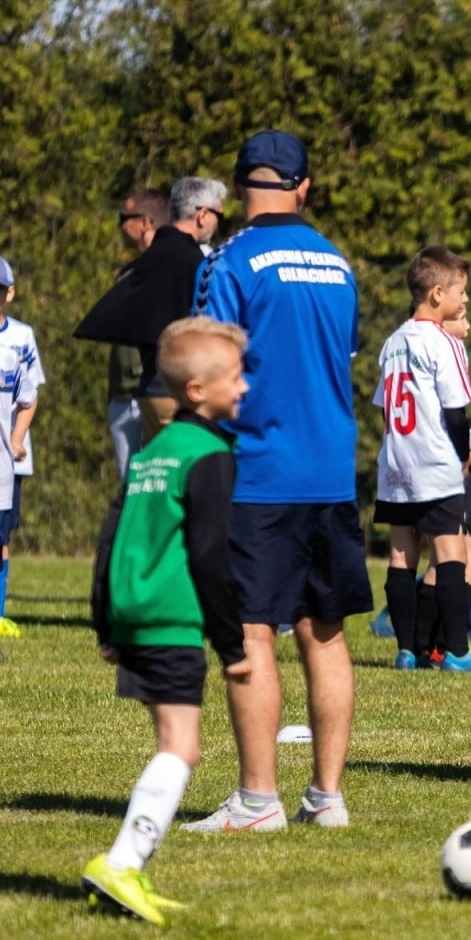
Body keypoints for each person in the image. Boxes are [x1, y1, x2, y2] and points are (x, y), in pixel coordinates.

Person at [186, 129, 368, 832]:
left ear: (237, 188)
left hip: (259, 472)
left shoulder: (231, 261)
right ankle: (327, 797)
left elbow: (212, 365)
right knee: (323, 634)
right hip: (329, 471)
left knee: (251, 633)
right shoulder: (336, 262)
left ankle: (258, 800)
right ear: (304, 187)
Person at [82, 318, 251, 926]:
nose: (246, 387)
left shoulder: (152, 450)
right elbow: (209, 555)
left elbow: (110, 535)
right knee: (181, 748)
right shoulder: (210, 455)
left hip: (133, 614)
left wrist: (104, 623)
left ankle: (129, 869)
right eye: (237, 377)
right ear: (200, 389)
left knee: (176, 744)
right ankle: (123, 863)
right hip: (173, 620)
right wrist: (231, 645)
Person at [373, 246, 471, 674]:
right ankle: (457, 653)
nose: (464, 300)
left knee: (401, 555)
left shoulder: (393, 342)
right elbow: (454, 410)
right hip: (435, 463)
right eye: (459, 292)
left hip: (395, 463)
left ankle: (407, 650)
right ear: (435, 294)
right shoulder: (441, 342)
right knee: (452, 555)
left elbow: (385, 405)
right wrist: (463, 457)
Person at [78, 178, 222, 446]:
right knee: (181, 475)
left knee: (151, 477)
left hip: (149, 386)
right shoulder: (193, 260)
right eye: (218, 215)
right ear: (202, 215)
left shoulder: (163, 256)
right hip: (172, 388)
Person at [106, 189, 167, 476]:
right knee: (128, 490)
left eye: (124, 217)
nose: (120, 225)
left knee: (159, 484)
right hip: (122, 393)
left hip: (156, 391)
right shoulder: (129, 271)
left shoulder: (173, 268)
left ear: (144, 222)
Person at [0, 257, 43, 639]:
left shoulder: (21, 338)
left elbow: (30, 395)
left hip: (6, 461)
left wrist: (15, 441)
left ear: (9, 293)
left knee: (1, 539)